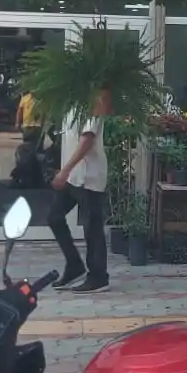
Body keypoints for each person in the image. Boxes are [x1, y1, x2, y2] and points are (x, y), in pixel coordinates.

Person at [47, 94, 109, 294]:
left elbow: (87, 140)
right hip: (74, 176)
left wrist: (65, 170)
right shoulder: (72, 103)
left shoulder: (94, 101)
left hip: (89, 175)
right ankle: (74, 265)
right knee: (54, 217)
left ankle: (98, 276)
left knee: (92, 227)